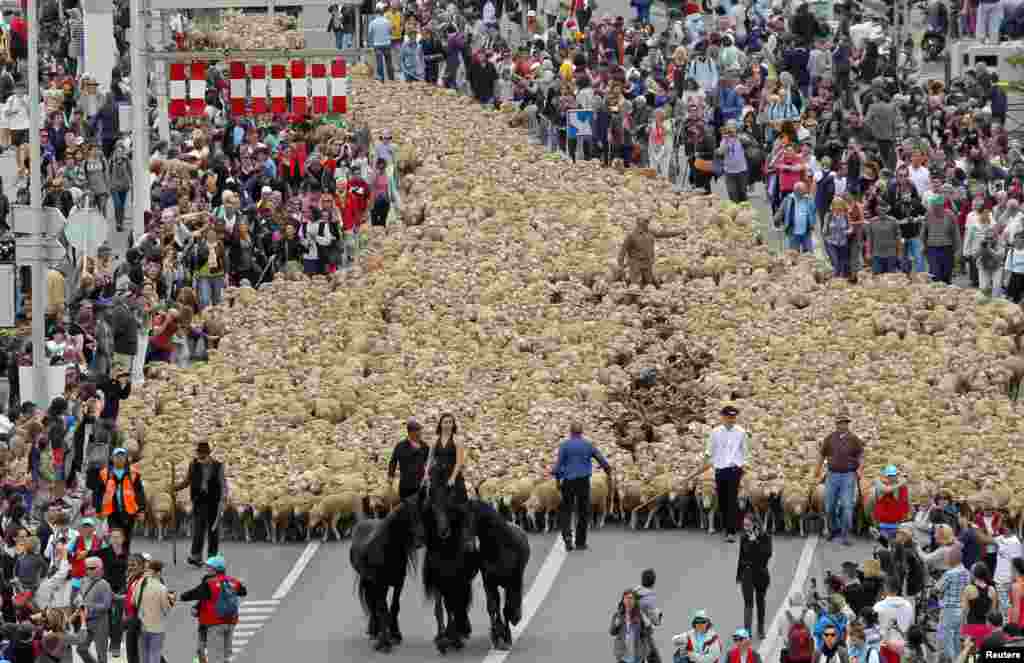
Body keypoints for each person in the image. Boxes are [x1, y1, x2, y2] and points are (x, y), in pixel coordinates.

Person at [552, 420, 612, 552]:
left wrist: (557, 480)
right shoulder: (588, 444)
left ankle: (567, 537)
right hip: (583, 482)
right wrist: (607, 469)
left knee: (566, 510)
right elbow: (600, 458)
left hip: (568, 481)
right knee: (583, 511)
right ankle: (580, 542)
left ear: (570, 432)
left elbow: (558, 465)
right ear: (581, 432)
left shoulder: (564, 445)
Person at [691, 404, 748, 542]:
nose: (731, 419)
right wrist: (703, 464)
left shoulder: (741, 432)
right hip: (720, 470)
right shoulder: (715, 432)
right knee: (722, 500)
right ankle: (727, 526)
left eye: (733, 417)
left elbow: (745, 451)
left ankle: (731, 531)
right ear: (723, 417)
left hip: (734, 469)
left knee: (731, 499)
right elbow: (709, 450)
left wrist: (745, 464)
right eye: (728, 417)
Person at [180, 556, 248, 663]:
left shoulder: (209, 583)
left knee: (215, 657)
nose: (207, 569)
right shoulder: (233, 581)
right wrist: (242, 585)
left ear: (214, 569)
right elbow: (243, 592)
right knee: (225, 655)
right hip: (230, 622)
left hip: (214, 623)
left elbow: (194, 594)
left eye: (209, 567)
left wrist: (182, 597)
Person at [172, 441, 227, 568]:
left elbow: (222, 484)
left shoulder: (218, 466)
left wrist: (223, 499)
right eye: (199, 456)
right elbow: (187, 481)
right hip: (199, 500)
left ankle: (212, 557)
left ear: (208, 455)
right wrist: (175, 488)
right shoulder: (193, 464)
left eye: (203, 457)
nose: (200, 459)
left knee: (213, 530)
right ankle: (196, 556)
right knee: (198, 528)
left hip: (214, 501)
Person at [814, 409, 863, 546]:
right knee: (830, 506)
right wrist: (817, 469)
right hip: (832, 475)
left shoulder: (854, 439)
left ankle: (846, 534)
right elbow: (822, 455)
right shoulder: (829, 438)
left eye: (845, 423)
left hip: (848, 475)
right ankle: (834, 529)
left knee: (847, 506)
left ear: (848, 424)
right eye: (840, 423)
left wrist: (860, 469)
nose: (843, 425)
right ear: (836, 424)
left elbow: (860, 455)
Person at [427, 413, 475, 552]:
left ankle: (468, 538)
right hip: (437, 476)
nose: (447, 424)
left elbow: (459, 462)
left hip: (453, 475)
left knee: (462, 506)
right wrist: (425, 475)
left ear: (453, 425)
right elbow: (430, 459)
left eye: (450, 422)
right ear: (440, 424)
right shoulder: (435, 440)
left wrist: (453, 477)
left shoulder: (457, 440)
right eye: (445, 422)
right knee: (432, 504)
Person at [95, 448, 146, 549]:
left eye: (122, 456)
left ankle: (124, 556)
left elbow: (139, 493)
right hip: (112, 511)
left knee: (126, 538)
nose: (119, 458)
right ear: (112, 458)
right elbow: (98, 493)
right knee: (115, 536)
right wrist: (98, 510)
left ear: (126, 458)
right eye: (117, 456)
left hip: (129, 511)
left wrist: (141, 510)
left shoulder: (133, 473)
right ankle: (115, 555)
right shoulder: (104, 473)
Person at [617, 218, 685, 287]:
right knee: (636, 285)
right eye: (646, 222)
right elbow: (623, 251)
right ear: (639, 223)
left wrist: (679, 232)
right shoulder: (631, 236)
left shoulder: (650, 232)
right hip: (636, 264)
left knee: (651, 283)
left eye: (648, 222)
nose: (648, 224)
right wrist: (621, 265)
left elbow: (663, 234)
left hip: (648, 264)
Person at [131, 558, 175, 663]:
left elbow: (133, 601)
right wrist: (172, 601)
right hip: (157, 627)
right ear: (158, 572)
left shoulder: (140, 583)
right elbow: (166, 609)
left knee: (144, 655)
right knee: (155, 654)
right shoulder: (161, 588)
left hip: (142, 624)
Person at [737, 513, 772, 640]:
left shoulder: (765, 537)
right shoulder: (744, 537)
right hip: (747, 573)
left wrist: (755, 542)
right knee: (748, 603)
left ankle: (760, 629)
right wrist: (738, 575)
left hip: (761, 573)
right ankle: (747, 631)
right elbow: (741, 556)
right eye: (744, 525)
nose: (745, 528)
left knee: (760, 601)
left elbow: (766, 555)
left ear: (755, 525)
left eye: (748, 525)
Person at [97, 527, 130, 660]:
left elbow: (132, 570)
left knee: (118, 618)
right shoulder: (104, 552)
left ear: (123, 539)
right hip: (107, 589)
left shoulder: (127, 554)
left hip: (121, 589)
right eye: (113, 537)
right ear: (109, 539)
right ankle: (110, 640)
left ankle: (115, 644)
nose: (115, 540)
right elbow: (88, 555)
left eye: (118, 537)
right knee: (108, 617)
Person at [75, 556, 113, 663]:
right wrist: (77, 601)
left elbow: (106, 605)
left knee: (101, 653)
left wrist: (88, 605)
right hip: (86, 620)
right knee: (81, 649)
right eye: (87, 568)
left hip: (100, 621)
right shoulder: (83, 581)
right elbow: (79, 595)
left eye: (92, 568)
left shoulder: (104, 584)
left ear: (100, 568)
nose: (89, 571)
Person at [387, 418, 429, 500]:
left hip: (421, 484)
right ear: (410, 433)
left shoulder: (424, 446)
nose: (420, 434)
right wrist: (390, 476)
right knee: (405, 505)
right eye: (417, 432)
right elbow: (393, 461)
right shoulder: (400, 446)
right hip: (405, 485)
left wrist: (428, 476)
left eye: (420, 431)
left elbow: (429, 462)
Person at [610, 588, 655, 663]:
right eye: (626, 598)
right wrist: (616, 624)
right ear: (623, 600)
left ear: (634, 601)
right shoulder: (618, 615)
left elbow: (650, 632)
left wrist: (647, 623)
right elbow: (612, 632)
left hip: (638, 653)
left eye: (631, 598)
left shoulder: (640, 615)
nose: (628, 600)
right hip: (623, 654)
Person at [961, 562, 999, 646]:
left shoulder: (968, 589)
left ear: (973, 574)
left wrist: (963, 630)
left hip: (971, 627)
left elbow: (965, 611)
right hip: (985, 627)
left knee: (969, 651)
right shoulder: (992, 589)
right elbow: (992, 613)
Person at [872, 466, 910, 541]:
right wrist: (901, 483)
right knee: (885, 542)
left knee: (894, 543)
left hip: (896, 523)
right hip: (883, 523)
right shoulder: (879, 483)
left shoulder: (900, 485)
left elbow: (905, 501)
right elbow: (886, 490)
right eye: (890, 476)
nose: (892, 477)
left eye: (894, 475)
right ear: (886, 476)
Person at [635, 568, 663, 663]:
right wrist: (659, 614)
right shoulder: (649, 596)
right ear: (653, 582)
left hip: (628, 631)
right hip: (642, 632)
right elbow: (656, 621)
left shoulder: (633, 591)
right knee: (654, 658)